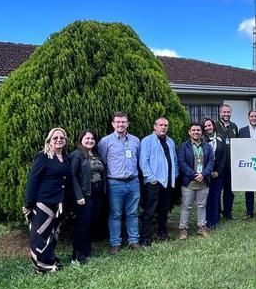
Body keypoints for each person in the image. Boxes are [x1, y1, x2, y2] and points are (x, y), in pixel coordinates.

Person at [23, 127, 70, 274]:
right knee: (40, 235)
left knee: (52, 234)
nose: (58, 140)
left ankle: (49, 260)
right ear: (49, 141)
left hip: (58, 202)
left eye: (61, 138)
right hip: (43, 202)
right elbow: (33, 180)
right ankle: (41, 266)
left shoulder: (65, 157)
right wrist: (28, 204)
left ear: (65, 141)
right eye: (55, 138)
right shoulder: (43, 157)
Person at [98, 112, 141, 254]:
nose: (121, 124)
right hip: (115, 183)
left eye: (123, 122)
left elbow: (138, 160)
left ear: (128, 123)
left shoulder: (135, 141)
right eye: (118, 122)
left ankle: (133, 241)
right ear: (113, 124)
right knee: (115, 214)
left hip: (133, 182)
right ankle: (115, 243)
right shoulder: (105, 142)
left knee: (133, 213)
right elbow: (102, 162)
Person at [139, 116, 178, 244]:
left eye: (165, 125)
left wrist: (175, 175)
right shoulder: (147, 141)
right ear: (155, 127)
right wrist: (151, 179)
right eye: (160, 125)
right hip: (154, 183)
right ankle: (145, 238)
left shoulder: (170, 141)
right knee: (149, 211)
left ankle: (162, 233)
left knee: (164, 210)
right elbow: (143, 162)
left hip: (167, 182)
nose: (163, 127)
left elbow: (175, 160)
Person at [70, 129, 106, 264]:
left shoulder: (96, 154)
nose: (90, 141)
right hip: (84, 195)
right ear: (81, 140)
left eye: (92, 138)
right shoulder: (77, 155)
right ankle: (77, 256)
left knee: (92, 223)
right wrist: (79, 196)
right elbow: (72, 176)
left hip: (97, 194)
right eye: (87, 138)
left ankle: (86, 250)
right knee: (83, 225)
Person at [177, 122, 214, 239]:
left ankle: (202, 227)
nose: (196, 132)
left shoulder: (207, 146)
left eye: (198, 130)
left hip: (203, 181)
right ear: (189, 132)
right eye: (193, 130)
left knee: (202, 205)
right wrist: (194, 175)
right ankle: (183, 229)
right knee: (186, 206)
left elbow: (211, 162)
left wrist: (203, 174)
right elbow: (182, 163)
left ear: (201, 132)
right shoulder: (184, 146)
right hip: (189, 182)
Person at [215, 104, 239, 220]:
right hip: (219, 165)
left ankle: (228, 213)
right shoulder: (215, 126)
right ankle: (217, 212)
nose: (226, 114)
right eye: (224, 112)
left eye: (228, 112)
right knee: (218, 190)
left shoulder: (234, 126)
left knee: (229, 190)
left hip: (231, 164)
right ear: (220, 113)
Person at [202, 117, 226, 229]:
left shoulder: (221, 138)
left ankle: (215, 221)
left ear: (213, 125)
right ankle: (207, 220)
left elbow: (224, 157)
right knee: (207, 197)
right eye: (205, 126)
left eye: (209, 125)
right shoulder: (202, 140)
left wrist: (218, 172)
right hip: (206, 173)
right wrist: (208, 172)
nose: (208, 128)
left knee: (216, 197)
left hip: (218, 173)